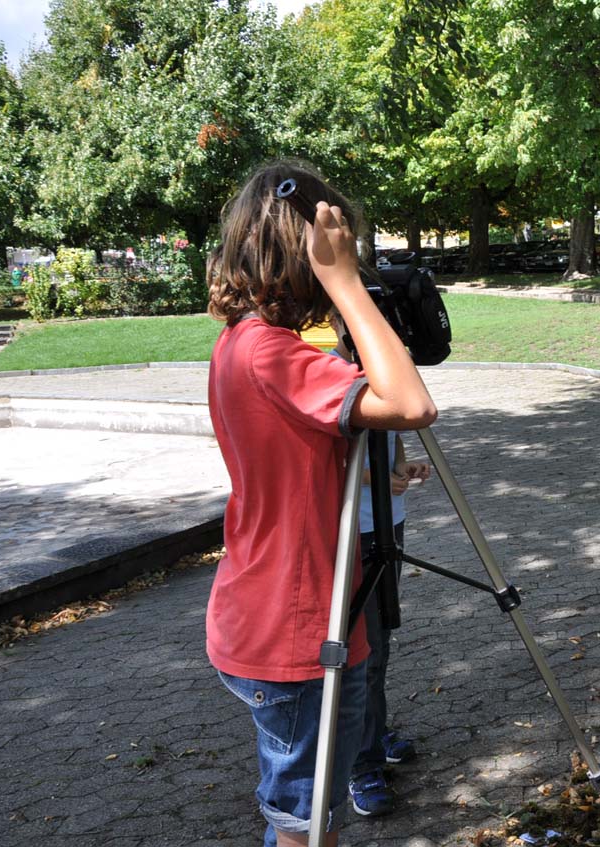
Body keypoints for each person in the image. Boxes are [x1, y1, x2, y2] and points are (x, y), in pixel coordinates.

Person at [205, 160, 437, 847]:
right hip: (295, 629)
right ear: (303, 254)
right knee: (307, 829)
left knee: (312, 817)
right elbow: (412, 403)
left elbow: (303, 456)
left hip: (297, 610)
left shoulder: (242, 344)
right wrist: (347, 286)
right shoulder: (271, 355)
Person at [330, 317, 432, 818]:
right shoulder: (330, 372)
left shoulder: (385, 370)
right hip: (356, 528)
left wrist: (400, 466)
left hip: (390, 522)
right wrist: (373, 476)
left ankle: (372, 728)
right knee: (362, 649)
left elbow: (396, 431)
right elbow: (325, 456)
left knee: (381, 641)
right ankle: (359, 763)